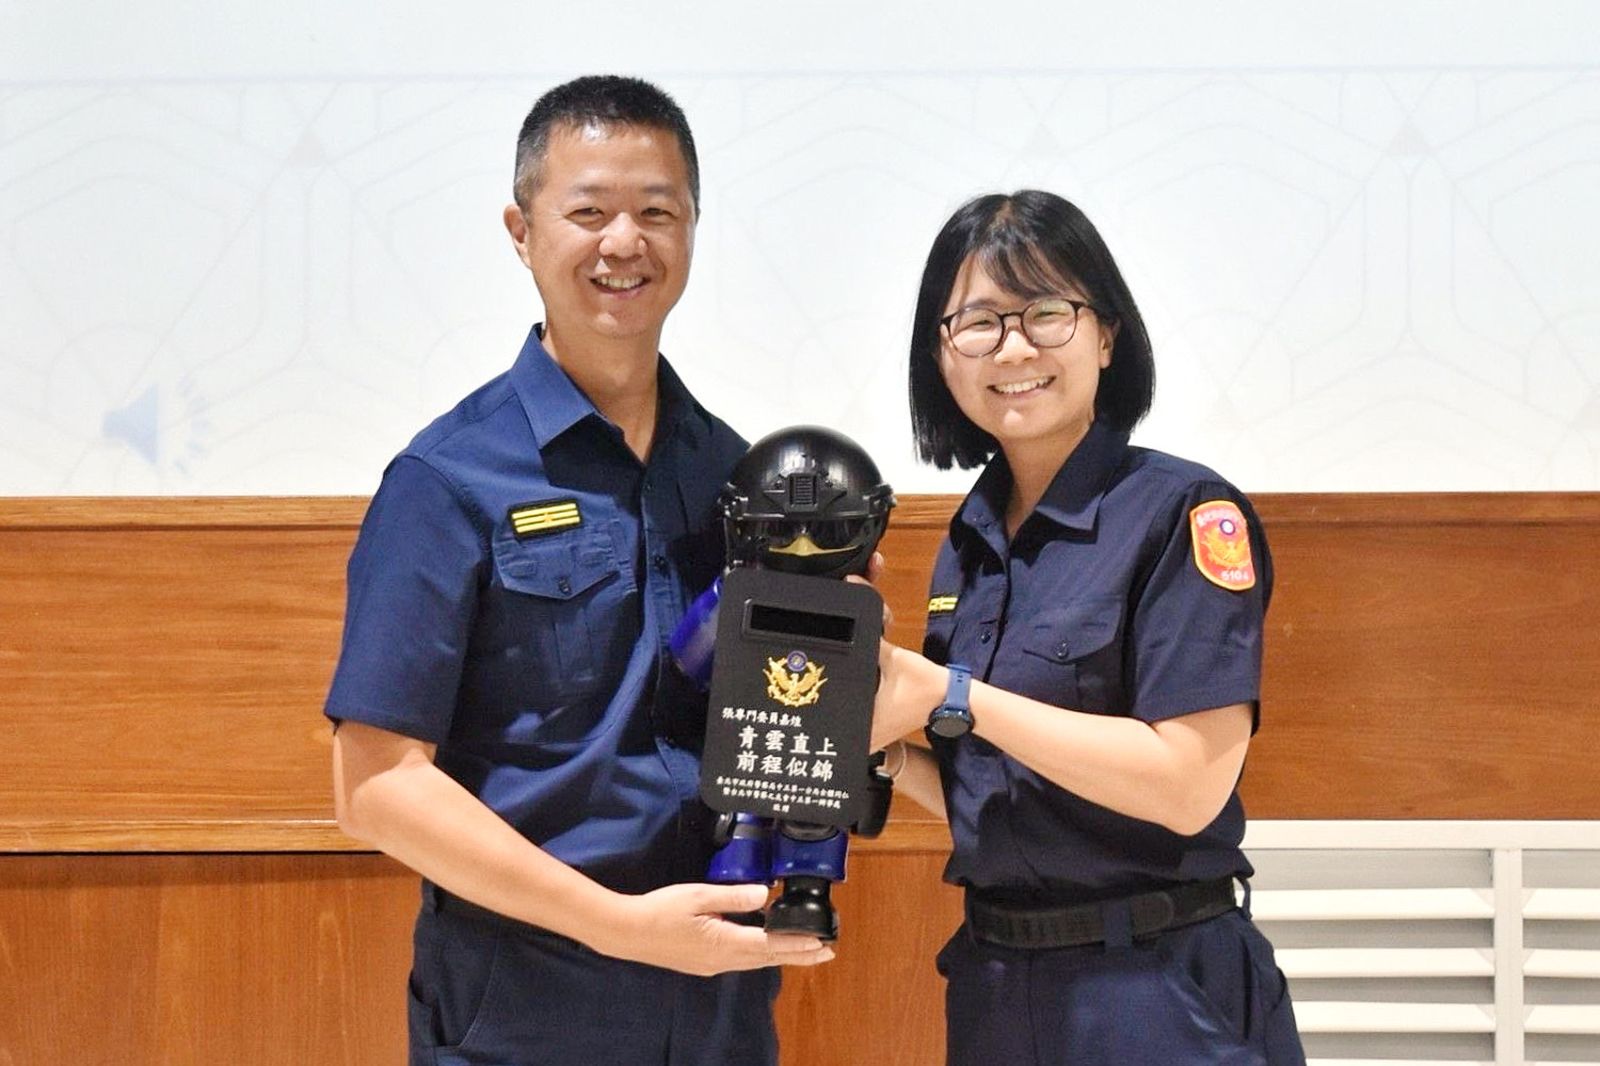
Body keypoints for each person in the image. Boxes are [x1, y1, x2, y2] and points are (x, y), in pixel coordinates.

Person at [325, 75, 832, 1066]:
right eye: (589, 212)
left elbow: (768, 714)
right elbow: (375, 785)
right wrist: (616, 925)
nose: (624, 243)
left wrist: (843, 673)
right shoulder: (447, 479)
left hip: (720, 992)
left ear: (693, 229)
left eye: (657, 212)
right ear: (522, 232)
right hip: (523, 998)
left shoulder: (736, 474)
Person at [869, 190, 1307, 1065]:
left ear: (1106, 335)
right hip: (996, 985)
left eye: (1046, 313)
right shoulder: (968, 540)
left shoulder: (1184, 512)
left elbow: (1188, 786)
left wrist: (950, 695)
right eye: (979, 322)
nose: (1014, 347)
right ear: (941, 356)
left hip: (1155, 987)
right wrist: (877, 751)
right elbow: (999, 795)